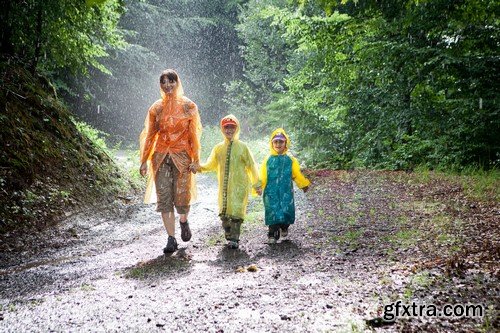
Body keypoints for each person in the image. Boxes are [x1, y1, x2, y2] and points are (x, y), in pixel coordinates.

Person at [139, 69, 202, 254]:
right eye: (164, 82)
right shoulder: (156, 108)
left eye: (171, 81)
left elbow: (194, 135)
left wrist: (196, 159)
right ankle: (171, 239)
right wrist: (144, 160)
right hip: (160, 157)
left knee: (182, 197)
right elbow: (150, 135)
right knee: (164, 198)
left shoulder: (189, 106)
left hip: (182, 156)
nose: (168, 86)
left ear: (177, 82)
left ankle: (183, 220)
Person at [191, 114, 260, 249]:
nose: (229, 130)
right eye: (226, 128)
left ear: (237, 128)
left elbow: (252, 166)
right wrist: (198, 168)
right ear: (222, 129)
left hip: (240, 186)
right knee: (225, 216)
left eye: (232, 127)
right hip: (225, 188)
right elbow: (211, 164)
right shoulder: (218, 148)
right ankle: (228, 231)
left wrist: (257, 184)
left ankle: (235, 238)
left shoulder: (243, 147)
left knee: (237, 213)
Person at [257, 128, 310, 244]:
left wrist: (303, 184)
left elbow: (296, 174)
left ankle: (284, 226)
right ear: (272, 144)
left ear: (286, 143)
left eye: (281, 142)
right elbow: (262, 175)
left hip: (286, 191)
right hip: (271, 192)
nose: (278, 144)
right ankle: (272, 234)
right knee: (272, 211)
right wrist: (258, 186)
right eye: (275, 142)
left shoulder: (290, 160)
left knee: (286, 211)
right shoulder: (268, 160)